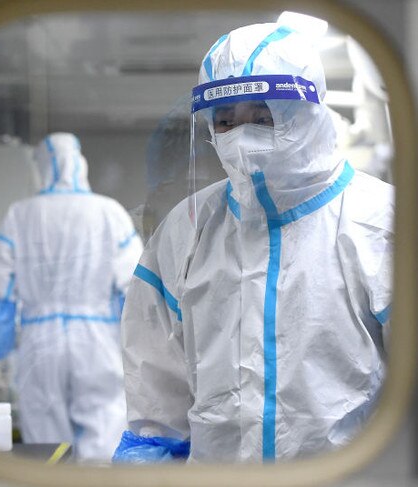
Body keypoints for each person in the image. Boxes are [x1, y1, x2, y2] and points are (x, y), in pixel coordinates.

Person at [114, 23, 393, 464]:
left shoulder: (379, 221)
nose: (242, 136)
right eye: (225, 120)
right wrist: (152, 458)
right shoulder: (188, 227)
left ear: (308, 111)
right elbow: (156, 384)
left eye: (263, 116)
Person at [0, 132, 144, 462]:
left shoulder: (20, 215)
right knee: (104, 427)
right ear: (81, 166)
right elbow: (135, 289)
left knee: (47, 441)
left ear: (39, 168)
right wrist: (139, 346)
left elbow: (1, 284)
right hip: (97, 338)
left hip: (40, 341)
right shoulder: (108, 212)